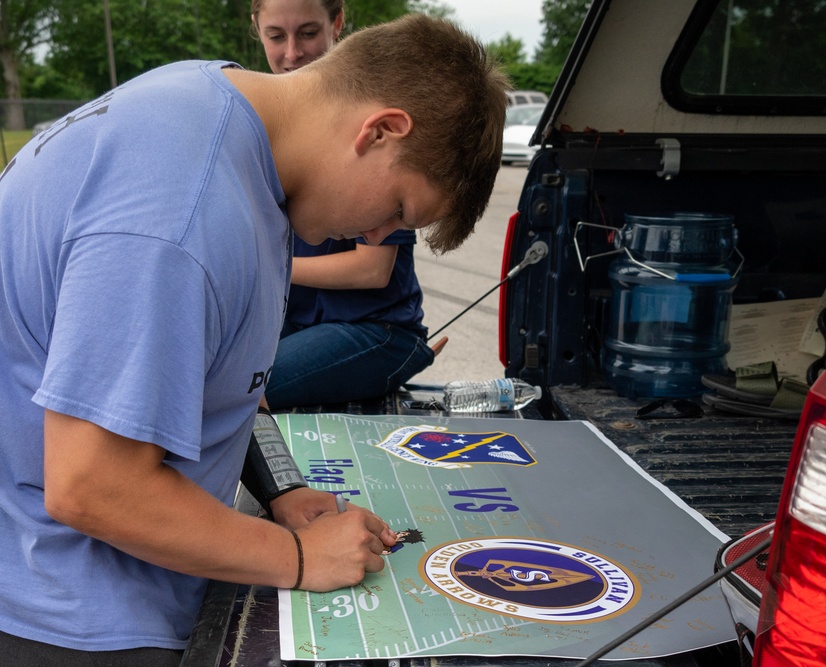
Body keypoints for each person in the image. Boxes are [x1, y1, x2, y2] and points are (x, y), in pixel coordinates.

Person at [0, 14, 508, 665]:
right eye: (399, 211)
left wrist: (283, 487)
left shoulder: (234, 128)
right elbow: (93, 486)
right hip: (65, 613)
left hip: (132, 565)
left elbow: (235, 383)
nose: (382, 237)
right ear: (380, 131)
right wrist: (297, 557)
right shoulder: (182, 213)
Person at [250, 0, 445, 410]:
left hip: (373, 327)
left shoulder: (376, 120)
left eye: (307, 33)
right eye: (275, 36)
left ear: (337, 23)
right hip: (297, 321)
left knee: (239, 394)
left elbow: (373, 268)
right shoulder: (259, 124)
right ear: (256, 28)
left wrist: (268, 265)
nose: (291, 53)